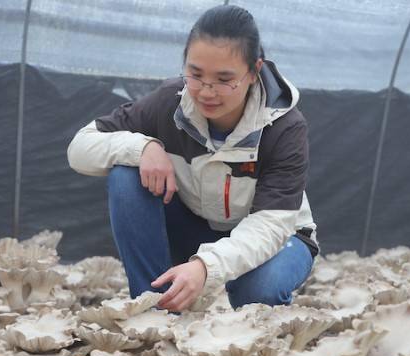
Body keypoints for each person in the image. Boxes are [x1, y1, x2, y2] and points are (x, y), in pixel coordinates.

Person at [67, 5, 319, 312]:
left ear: (254, 72)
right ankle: (154, 308)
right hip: (195, 224)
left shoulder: (284, 127)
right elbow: (80, 146)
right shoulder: (169, 104)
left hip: (279, 237)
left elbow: (271, 225)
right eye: (196, 75)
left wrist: (205, 267)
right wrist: (143, 148)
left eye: (224, 79)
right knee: (125, 173)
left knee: (258, 291)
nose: (206, 92)